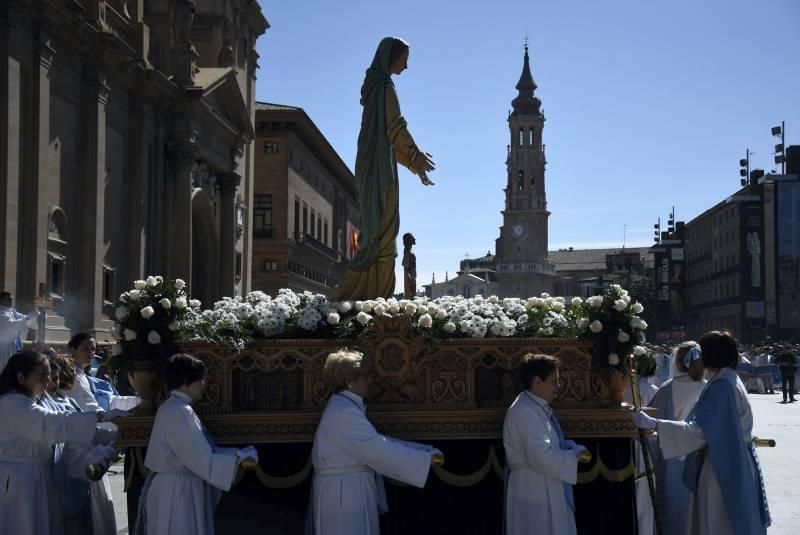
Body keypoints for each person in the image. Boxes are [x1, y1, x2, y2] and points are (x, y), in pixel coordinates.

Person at [632, 331, 770, 535]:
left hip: (720, 469)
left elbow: (699, 433)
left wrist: (654, 424)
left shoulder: (721, 387)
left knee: (716, 524)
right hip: (735, 461)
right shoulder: (730, 379)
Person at [331, 37, 435, 301]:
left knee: (375, 230)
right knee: (382, 232)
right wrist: (415, 155)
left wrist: (414, 164)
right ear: (391, 58)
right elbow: (396, 127)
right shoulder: (386, 87)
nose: (407, 66)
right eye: (404, 59)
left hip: (371, 164)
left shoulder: (374, 90)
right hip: (380, 171)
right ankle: (372, 301)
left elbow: (386, 137)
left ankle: (367, 296)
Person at [308, 349, 440, 535]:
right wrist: (422, 459)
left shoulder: (345, 406)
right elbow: (376, 449)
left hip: (347, 489)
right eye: (365, 376)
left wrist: (423, 450)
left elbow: (373, 442)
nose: (370, 381)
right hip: (345, 494)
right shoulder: (344, 411)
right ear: (349, 380)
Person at [136, 353, 257, 535]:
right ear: (186, 381)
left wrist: (236, 454)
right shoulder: (180, 412)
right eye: (200, 380)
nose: (204, 385)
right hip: (178, 493)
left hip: (172, 488)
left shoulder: (170, 407)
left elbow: (197, 452)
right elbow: (202, 460)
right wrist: (238, 458)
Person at [0, 350, 106, 535]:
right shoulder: (11, 403)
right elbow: (50, 424)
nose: (48, 382)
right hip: (20, 480)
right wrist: (98, 416)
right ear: (21, 377)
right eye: (42, 376)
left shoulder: (32, 400)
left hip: (39, 477)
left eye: (49, 376)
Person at [503, 353, 588, 535]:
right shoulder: (525, 411)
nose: (558, 386)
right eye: (554, 381)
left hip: (543, 484)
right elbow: (540, 455)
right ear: (537, 382)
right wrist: (573, 455)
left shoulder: (535, 407)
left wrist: (568, 447)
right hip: (533, 488)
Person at [647, 342, 707, 535]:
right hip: (701, 456)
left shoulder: (666, 389)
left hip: (674, 457)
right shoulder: (708, 388)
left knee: (675, 507)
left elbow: (651, 424)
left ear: (678, 362)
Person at [0, 291, 37, 372]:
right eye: (8, 299)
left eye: (12, 299)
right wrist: (27, 319)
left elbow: (22, 317)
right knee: (4, 369)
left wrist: (35, 316)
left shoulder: (12, 311)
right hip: (3, 347)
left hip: (13, 346)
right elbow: (12, 325)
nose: (11, 301)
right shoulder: (1, 313)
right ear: (2, 300)